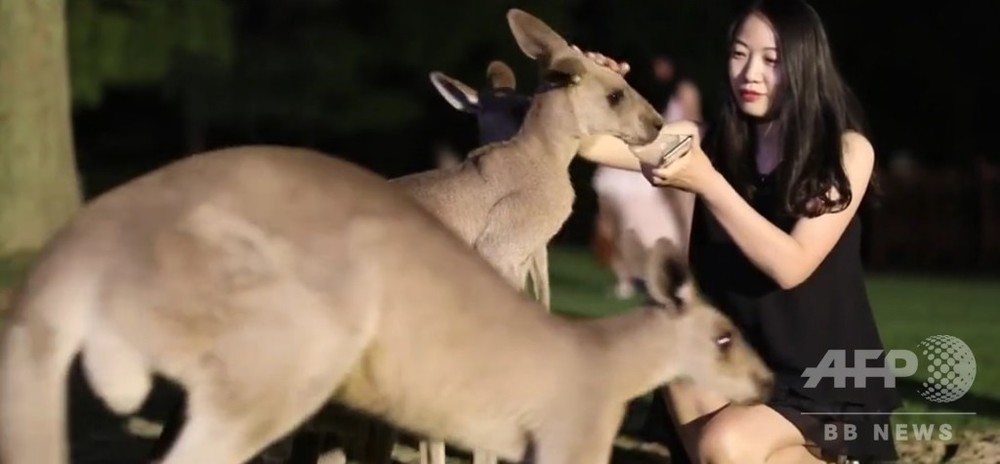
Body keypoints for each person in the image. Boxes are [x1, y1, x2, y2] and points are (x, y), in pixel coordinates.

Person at [574, 0, 901, 462]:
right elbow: (591, 144)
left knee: (723, 443)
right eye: (739, 54)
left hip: (826, 377)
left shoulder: (844, 151)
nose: (750, 73)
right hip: (742, 359)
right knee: (676, 366)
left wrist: (708, 182)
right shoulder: (703, 140)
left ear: (805, 65)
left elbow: (792, 264)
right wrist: (590, 82)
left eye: (772, 60)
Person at [589, 56, 701, 299]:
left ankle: (675, 279)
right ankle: (634, 278)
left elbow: (690, 126)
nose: (661, 68)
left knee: (674, 223)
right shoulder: (648, 93)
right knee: (628, 224)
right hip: (650, 156)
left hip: (674, 154)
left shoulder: (683, 92)